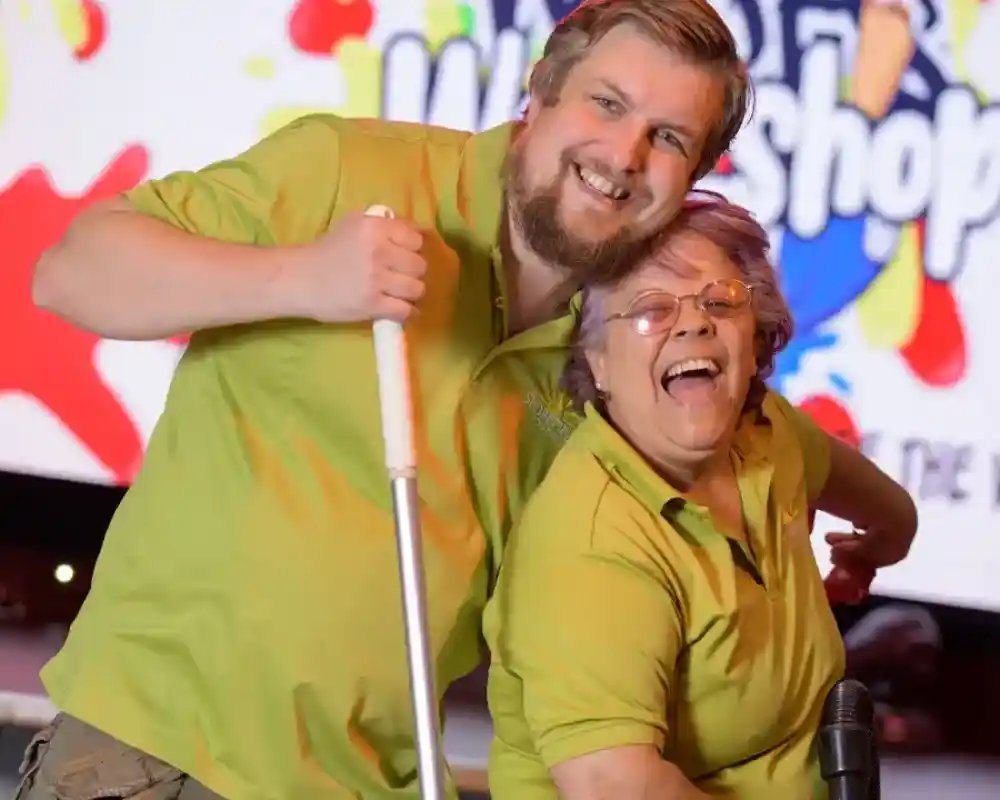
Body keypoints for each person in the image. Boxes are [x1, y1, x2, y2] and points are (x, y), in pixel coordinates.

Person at [18, 2, 751, 799]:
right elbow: (70, 274)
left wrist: (878, 517)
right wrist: (304, 278)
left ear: (696, 174)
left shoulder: (620, 349)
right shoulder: (348, 168)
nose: (624, 152)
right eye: (606, 103)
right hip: (154, 758)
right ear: (538, 92)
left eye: (669, 137)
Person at [483, 192, 918, 800]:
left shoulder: (770, 434)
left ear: (755, 332)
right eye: (649, 310)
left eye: (721, 301)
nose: (692, 322)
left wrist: (873, 548)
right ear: (597, 361)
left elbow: (894, 515)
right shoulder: (590, 540)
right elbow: (615, 786)